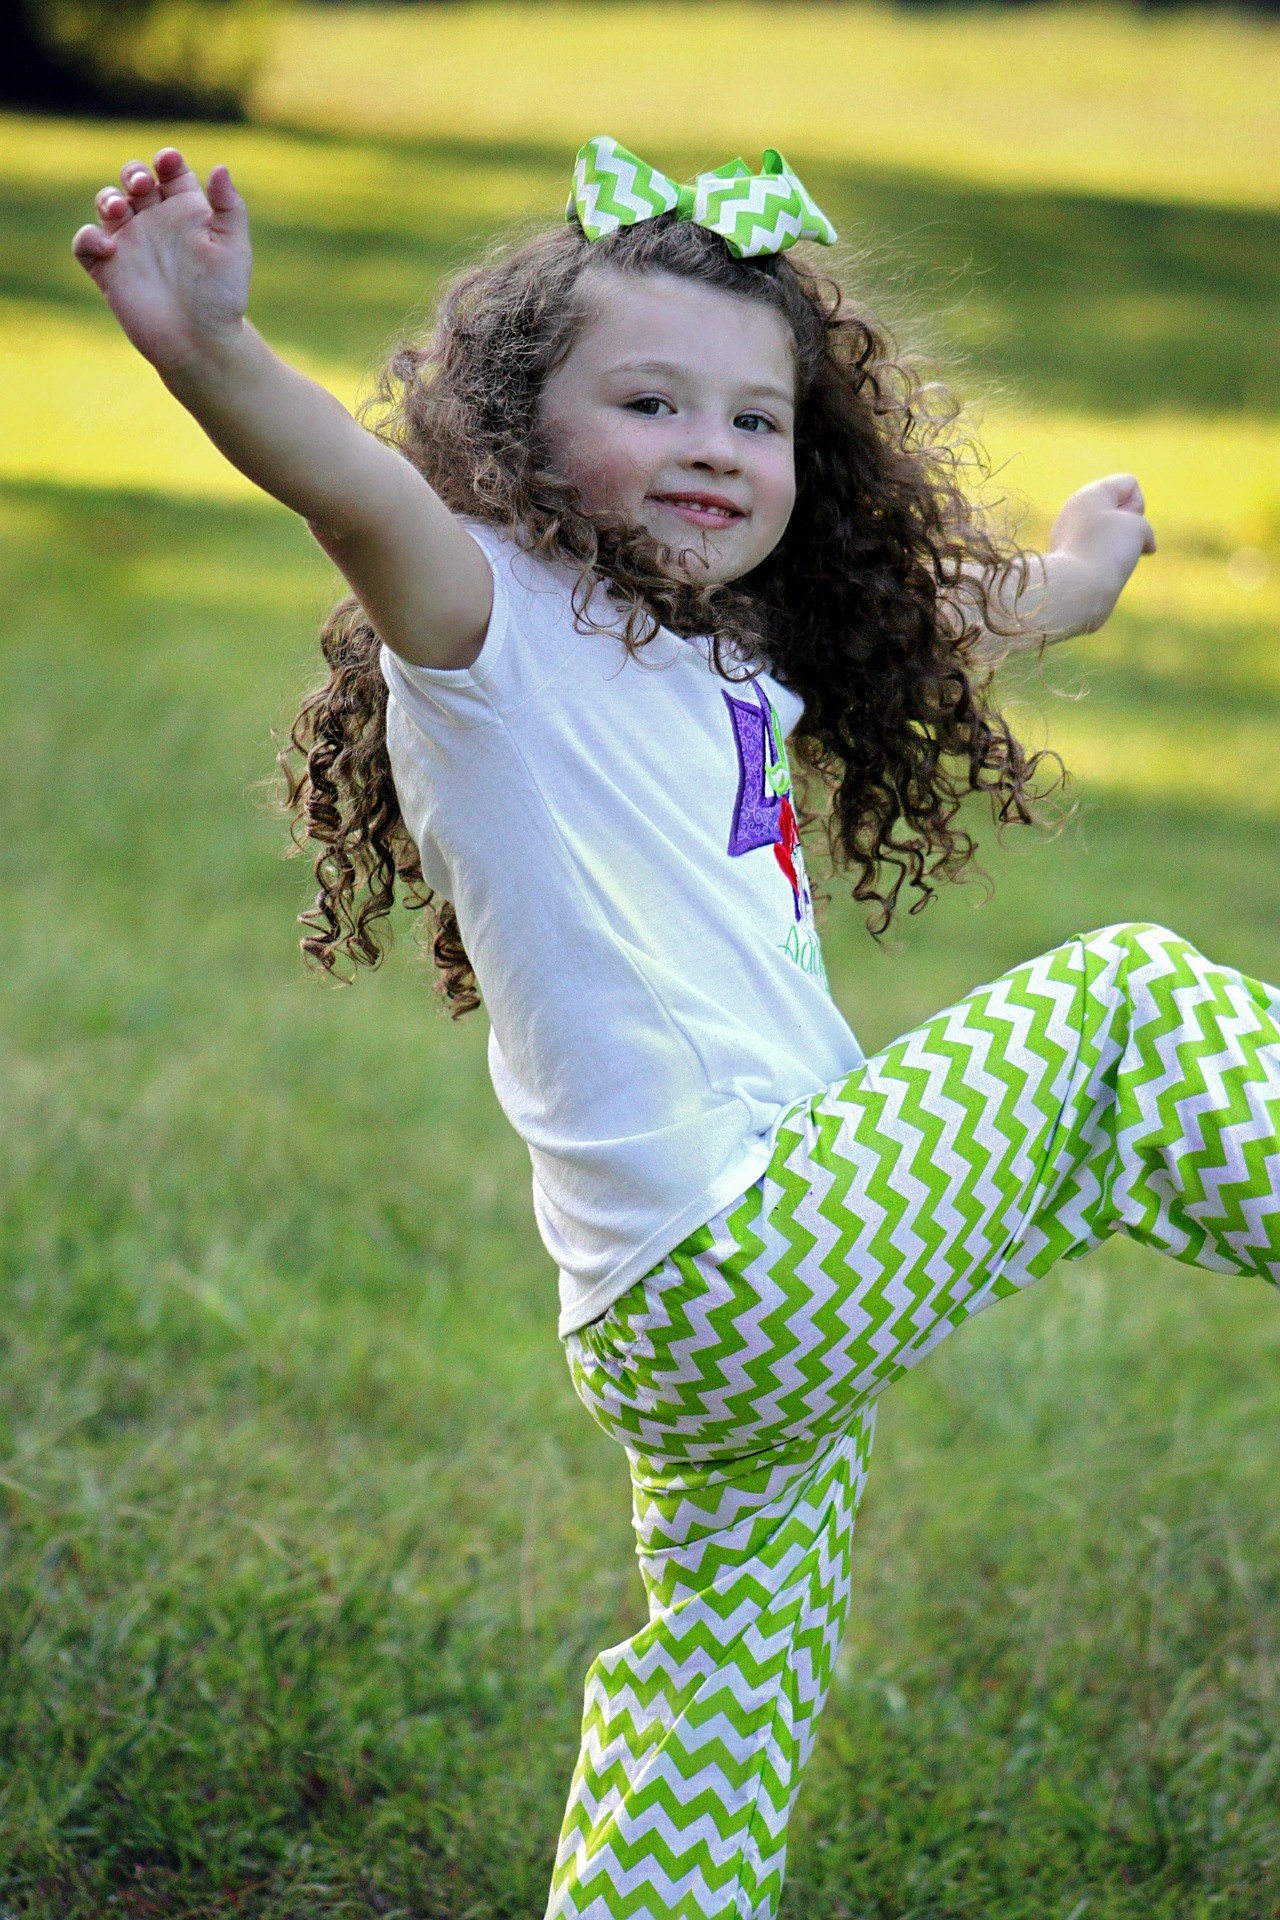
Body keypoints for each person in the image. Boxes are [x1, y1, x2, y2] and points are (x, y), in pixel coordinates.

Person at [73, 137, 1279, 1920]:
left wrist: (1069, 584)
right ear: (513, 430)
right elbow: (355, 496)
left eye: (756, 420)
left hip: (681, 1312)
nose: (714, 447)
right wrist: (211, 352)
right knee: (1131, 1004)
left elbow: (929, 625)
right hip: (746, 1254)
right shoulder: (484, 617)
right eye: (651, 401)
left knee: (721, 1689)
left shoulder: (722, 649)